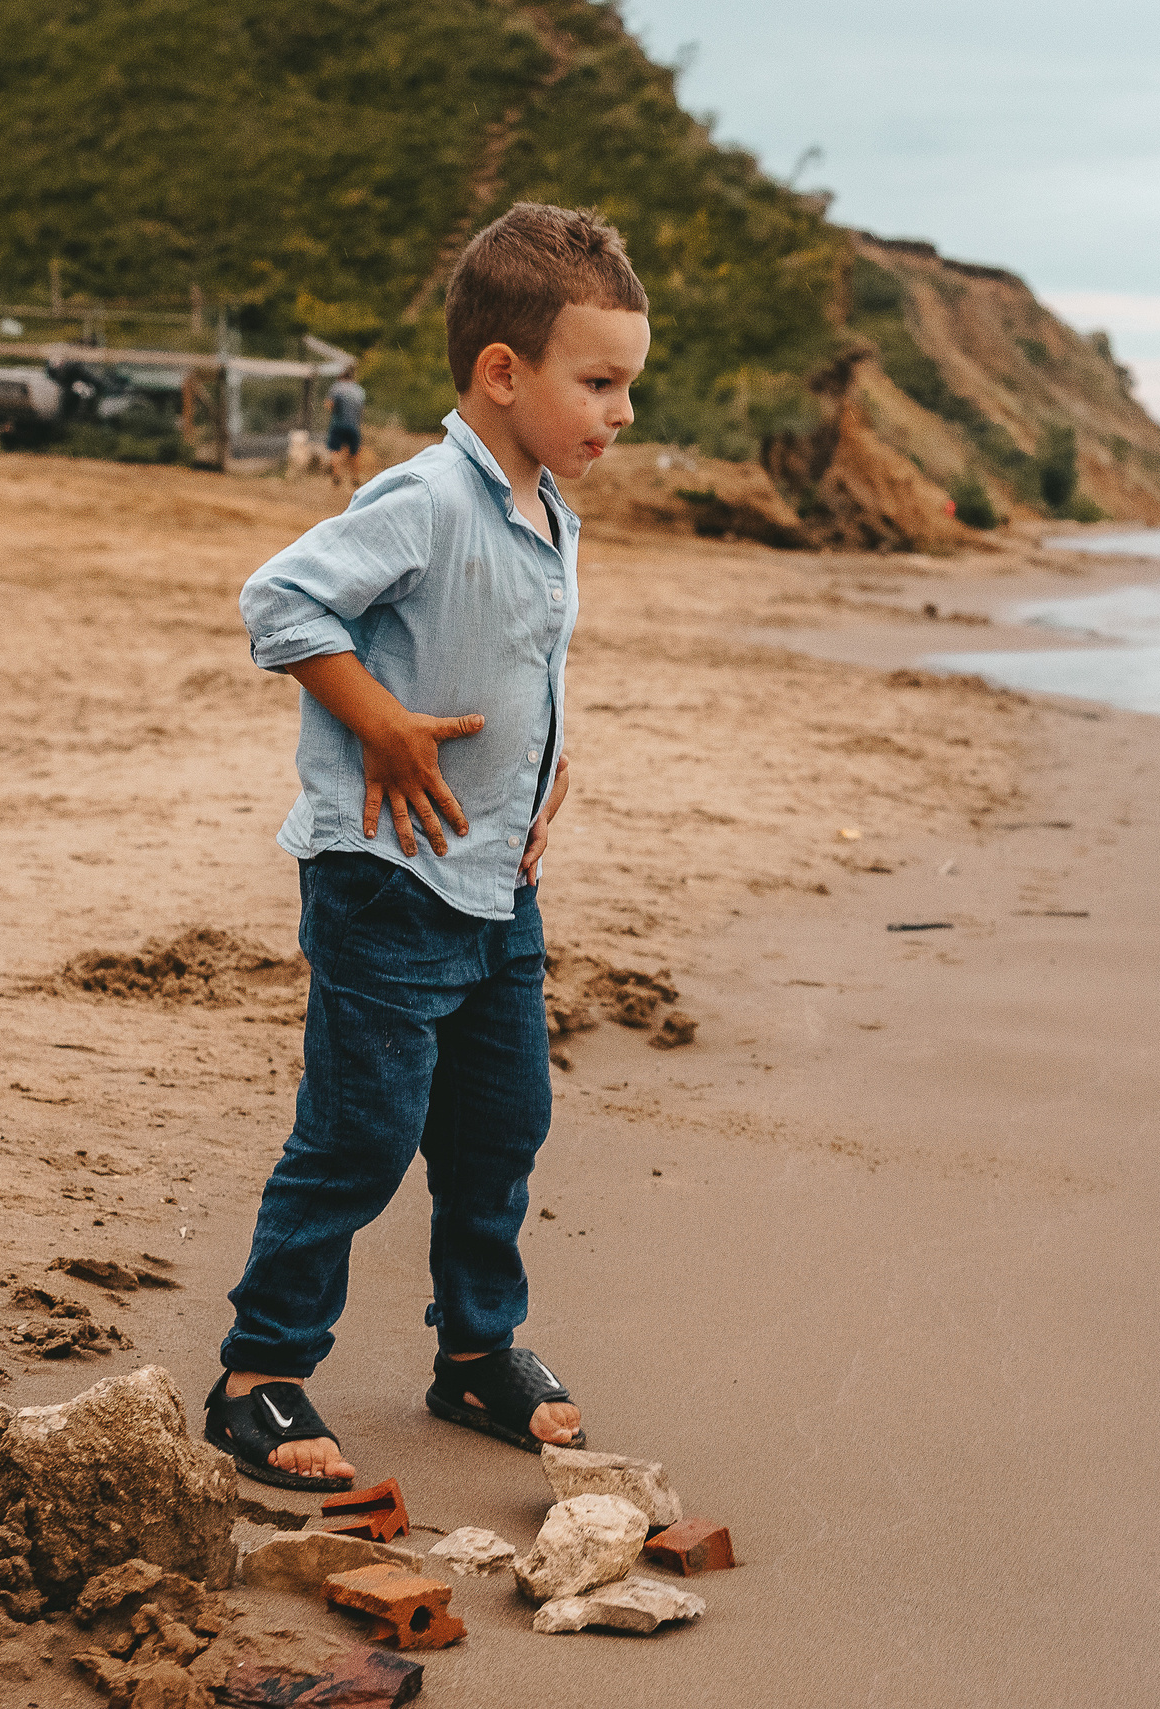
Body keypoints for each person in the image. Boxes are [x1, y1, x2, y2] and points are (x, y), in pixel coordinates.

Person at [210, 204, 652, 1490]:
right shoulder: (427, 496)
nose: (622, 411)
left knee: (499, 1128)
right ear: (502, 371)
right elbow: (280, 601)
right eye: (599, 383)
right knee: (360, 1132)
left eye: (629, 385)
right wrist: (385, 727)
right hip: (387, 878)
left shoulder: (547, 506)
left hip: (498, 881)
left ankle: (474, 1352)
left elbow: (515, 659)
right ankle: (258, 1368)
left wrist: (545, 770)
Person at [325, 372, 367, 483]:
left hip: (338, 425)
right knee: (355, 453)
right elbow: (362, 410)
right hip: (354, 426)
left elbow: (329, 405)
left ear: (341, 377)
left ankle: (336, 475)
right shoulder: (359, 390)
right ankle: (355, 477)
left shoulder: (337, 387)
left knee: (335, 451)